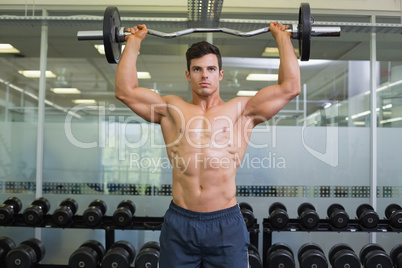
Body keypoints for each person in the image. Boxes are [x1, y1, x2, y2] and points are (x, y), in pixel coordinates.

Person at [115, 21, 300, 268]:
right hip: (180, 222)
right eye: (198, 69)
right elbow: (125, 91)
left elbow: (290, 88)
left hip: (226, 223)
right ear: (188, 74)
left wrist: (282, 38)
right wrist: (134, 42)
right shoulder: (171, 109)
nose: (204, 75)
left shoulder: (242, 110)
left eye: (211, 69)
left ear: (220, 74)